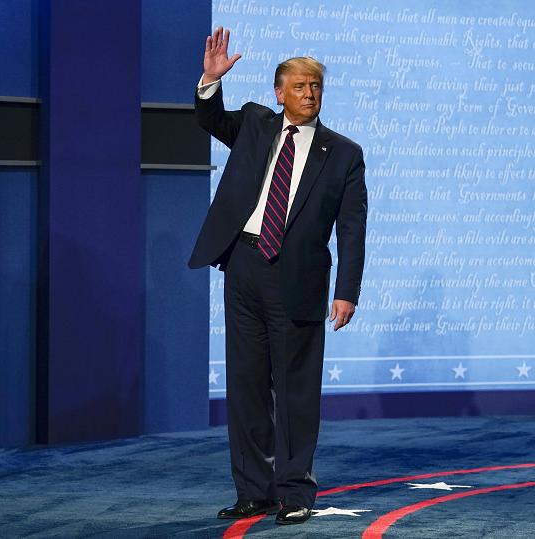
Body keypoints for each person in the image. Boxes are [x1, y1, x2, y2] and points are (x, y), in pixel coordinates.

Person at [189, 28, 367, 524]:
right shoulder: (255, 123)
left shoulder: (344, 153)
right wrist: (210, 80)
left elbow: (352, 229)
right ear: (279, 92)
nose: (310, 94)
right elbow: (209, 118)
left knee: (294, 391)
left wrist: (347, 292)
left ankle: (294, 492)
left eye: (316, 87)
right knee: (246, 383)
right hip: (244, 265)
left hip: (299, 276)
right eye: (300, 86)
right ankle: (254, 490)